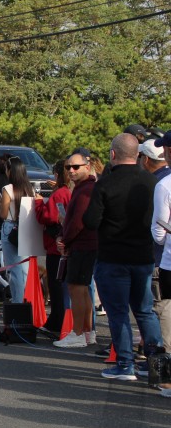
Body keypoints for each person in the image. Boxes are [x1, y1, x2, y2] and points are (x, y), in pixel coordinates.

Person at [85, 133, 162, 380]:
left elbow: (91, 221)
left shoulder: (105, 184)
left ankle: (125, 364)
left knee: (118, 313)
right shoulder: (151, 182)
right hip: (144, 256)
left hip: (113, 256)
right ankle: (155, 363)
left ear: (113, 154)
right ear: (138, 155)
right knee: (145, 311)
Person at [53, 151, 98, 348]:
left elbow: (78, 222)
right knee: (83, 289)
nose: (71, 171)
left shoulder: (86, 189)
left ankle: (78, 333)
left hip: (82, 245)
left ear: (87, 167)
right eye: (68, 167)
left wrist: (65, 239)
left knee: (76, 288)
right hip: (85, 244)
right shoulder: (83, 188)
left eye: (76, 167)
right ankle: (87, 332)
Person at [34, 159, 72, 333]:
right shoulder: (70, 191)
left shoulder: (59, 194)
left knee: (56, 288)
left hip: (56, 246)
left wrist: (38, 203)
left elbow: (48, 217)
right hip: (67, 245)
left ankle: (57, 323)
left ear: (57, 174)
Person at [0, 157, 36, 303]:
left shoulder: (8, 189)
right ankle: (26, 302)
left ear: (10, 171)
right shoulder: (30, 188)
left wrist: (0, 205)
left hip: (10, 227)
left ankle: (17, 302)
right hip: (26, 227)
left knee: (14, 269)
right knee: (25, 269)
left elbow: (3, 214)